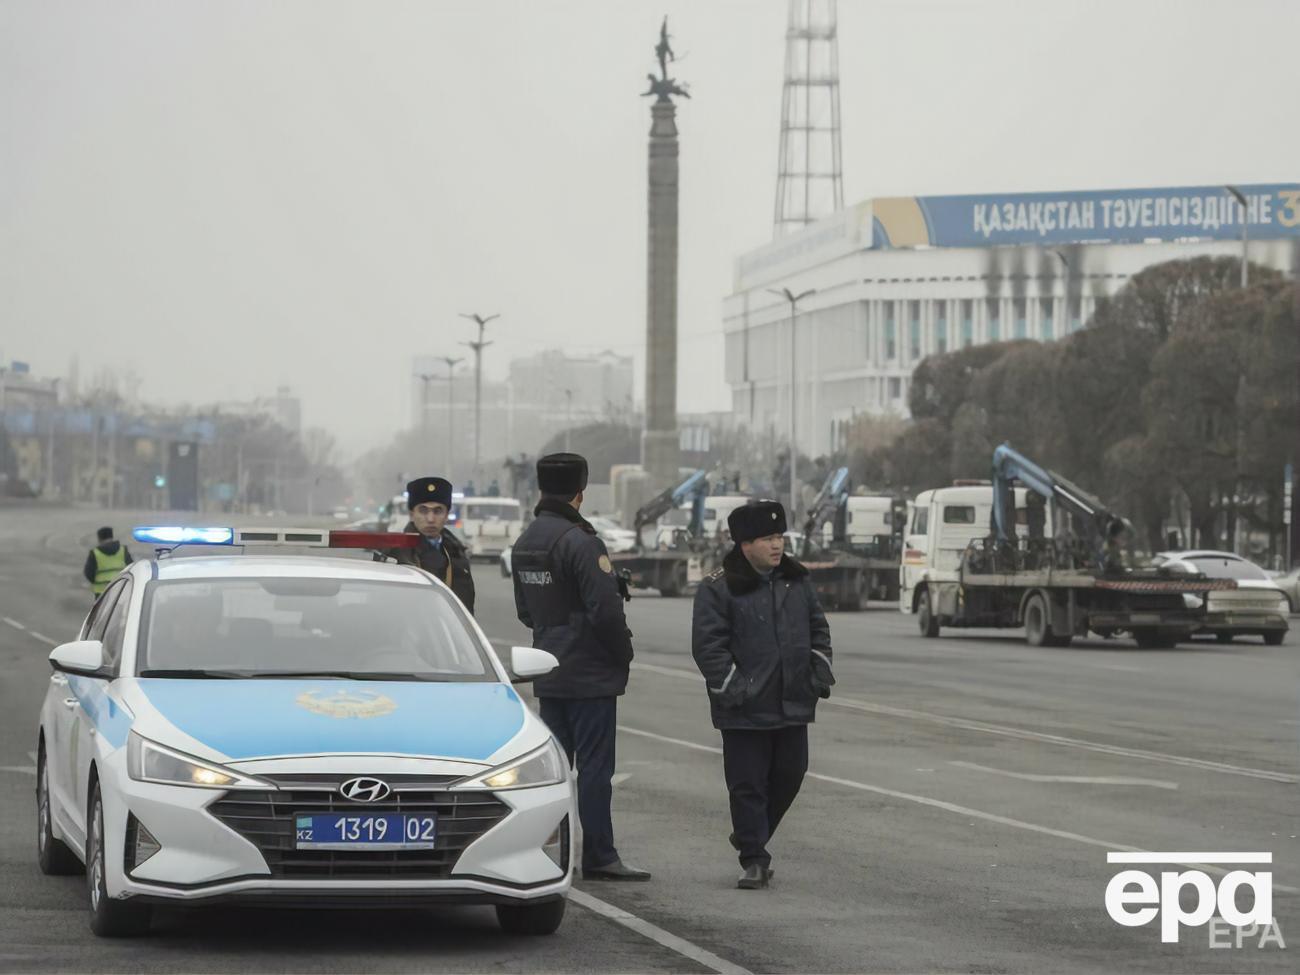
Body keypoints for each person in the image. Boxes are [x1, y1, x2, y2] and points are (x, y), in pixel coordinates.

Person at [512, 452, 649, 882]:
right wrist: (622, 654)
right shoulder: (581, 542)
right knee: (594, 770)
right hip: (589, 674)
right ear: (580, 493)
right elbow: (605, 611)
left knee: (551, 769)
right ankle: (600, 854)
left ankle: (540, 849)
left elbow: (525, 612)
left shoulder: (526, 541)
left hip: (548, 670)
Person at [691, 499, 834, 890]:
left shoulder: (796, 580)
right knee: (748, 783)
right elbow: (709, 649)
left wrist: (818, 672)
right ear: (744, 543)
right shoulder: (718, 588)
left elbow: (818, 630)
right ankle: (754, 857)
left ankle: (752, 833)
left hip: (792, 701)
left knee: (791, 773)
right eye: (768, 538)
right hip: (744, 708)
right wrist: (736, 689)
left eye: (780, 537)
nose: (777, 546)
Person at [385, 477, 475, 614]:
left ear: (446, 515)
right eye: (423, 510)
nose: (431, 519)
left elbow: (466, 611)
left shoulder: (457, 554)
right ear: (411, 514)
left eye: (438, 511)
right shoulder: (395, 554)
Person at [84, 526, 132, 601]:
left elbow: (88, 573)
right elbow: (131, 567)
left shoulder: (95, 553)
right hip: (120, 589)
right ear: (112, 537)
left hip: (101, 592)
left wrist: (97, 581)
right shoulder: (123, 550)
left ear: (99, 539)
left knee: (102, 612)